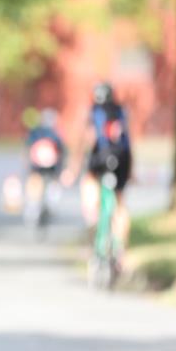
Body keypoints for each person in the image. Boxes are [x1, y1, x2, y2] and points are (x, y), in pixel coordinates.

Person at [67, 81, 132, 264]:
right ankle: (120, 249)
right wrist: (131, 171)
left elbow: (82, 141)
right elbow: (129, 142)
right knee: (120, 204)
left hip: (98, 160)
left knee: (89, 188)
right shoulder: (122, 112)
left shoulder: (91, 112)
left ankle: (93, 223)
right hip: (121, 161)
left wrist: (73, 169)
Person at [23, 108, 65, 225]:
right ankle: (46, 203)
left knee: (35, 181)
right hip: (50, 166)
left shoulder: (36, 132)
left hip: (39, 165)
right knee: (49, 182)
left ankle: (34, 206)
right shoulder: (55, 134)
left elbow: (28, 149)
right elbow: (62, 152)